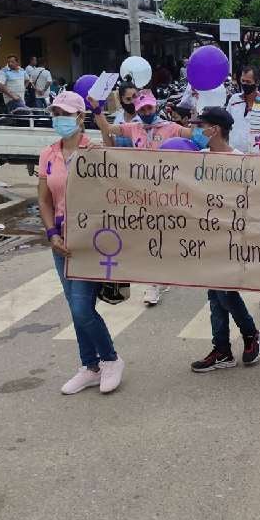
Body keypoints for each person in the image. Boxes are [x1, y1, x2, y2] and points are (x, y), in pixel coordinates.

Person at [38, 90, 125, 395]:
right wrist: (52, 234)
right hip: (60, 239)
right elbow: (44, 199)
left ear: (79, 117)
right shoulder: (48, 153)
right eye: (55, 113)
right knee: (74, 307)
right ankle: (90, 366)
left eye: (64, 113)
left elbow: (114, 194)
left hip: (89, 240)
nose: (59, 119)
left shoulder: (95, 151)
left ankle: (111, 359)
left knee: (82, 308)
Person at [183, 106, 260, 372]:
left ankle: (249, 333)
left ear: (214, 129)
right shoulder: (198, 157)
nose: (196, 130)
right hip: (206, 239)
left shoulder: (241, 161)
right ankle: (222, 349)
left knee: (224, 294)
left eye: (200, 126)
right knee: (215, 296)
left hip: (232, 240)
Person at [92, 90, 185, 305]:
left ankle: (160, 276)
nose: (146, 112)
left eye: (149, 108)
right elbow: (106, 128)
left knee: (163, 235)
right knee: (148, 236)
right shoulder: (133, 128)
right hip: (141, 193)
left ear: (155, 107)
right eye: (141, 109)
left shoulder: (170, 128)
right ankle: (153, 283)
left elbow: (194, 137)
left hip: (167, 193)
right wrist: (96, 107)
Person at [225, 66, 260, 153]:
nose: (244, 84)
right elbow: (226, 124)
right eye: (243, 81)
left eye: (248, 82)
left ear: (257, 82)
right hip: (233, 153)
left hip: (255, 156)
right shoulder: (234, 100)